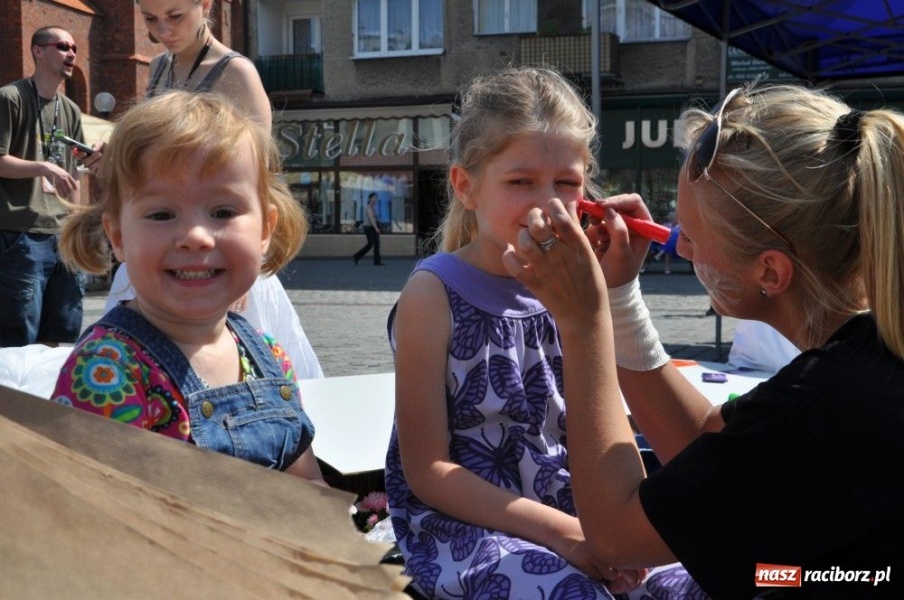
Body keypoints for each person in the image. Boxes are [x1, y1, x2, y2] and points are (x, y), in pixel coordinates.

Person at [501, 83, 904, 598]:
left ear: (770, 271)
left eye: (690, 236)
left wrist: (583, 322)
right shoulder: (861, 364)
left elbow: (616, 537)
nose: (676, 244)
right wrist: (619, 300)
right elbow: (715, 463)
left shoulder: (822, 408)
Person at [384, 66, 702, 599]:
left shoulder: (581, 286)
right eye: (520, 182)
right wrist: (567, 535)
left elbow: (610, 428)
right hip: (472, 527)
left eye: (568, 183)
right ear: (466, 187)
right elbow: (428, 471)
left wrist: (616, 290)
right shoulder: (432, 293)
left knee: (707, 579)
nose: (549, 203)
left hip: (586, 515)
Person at [52, 91, 324, 484]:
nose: (195, 236)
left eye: (223, 212)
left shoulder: (268, 355)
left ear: (265, 229)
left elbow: (308, 482)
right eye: (161, 214)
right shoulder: (105, 370)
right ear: (118, 237)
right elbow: (94, 522)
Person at [106, 0, 324, 380]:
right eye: (151, 20)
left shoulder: (237, 71)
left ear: (205, 4)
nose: (164, 31)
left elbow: (261, 177)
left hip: (219, 241)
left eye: (175, 16)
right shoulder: (158, 67)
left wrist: (245, 268)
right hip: (168, 234)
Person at [0, 26, 104, 347]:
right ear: (38, 51)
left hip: (63, 236)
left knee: (63, 334)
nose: (72, 53)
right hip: (21, 236)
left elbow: (73, 171)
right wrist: (43, 166)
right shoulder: (11, 98)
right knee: (19, 339)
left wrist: (97, 161)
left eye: (74, 47)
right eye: (62, 46)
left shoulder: (69, 108)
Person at [353, 192, 383, 265]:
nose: (374, 199)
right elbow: (370, 219)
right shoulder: (368, 208)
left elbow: (375, 218)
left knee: (377, 243)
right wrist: (376, 228)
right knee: (370, 244)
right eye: (373, 198)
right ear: (370, 199)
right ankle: (356, 256)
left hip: (373, 227)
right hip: (369, 228)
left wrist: (378, 222)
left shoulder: (373, 208)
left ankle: (377, 261)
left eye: (375, 198)